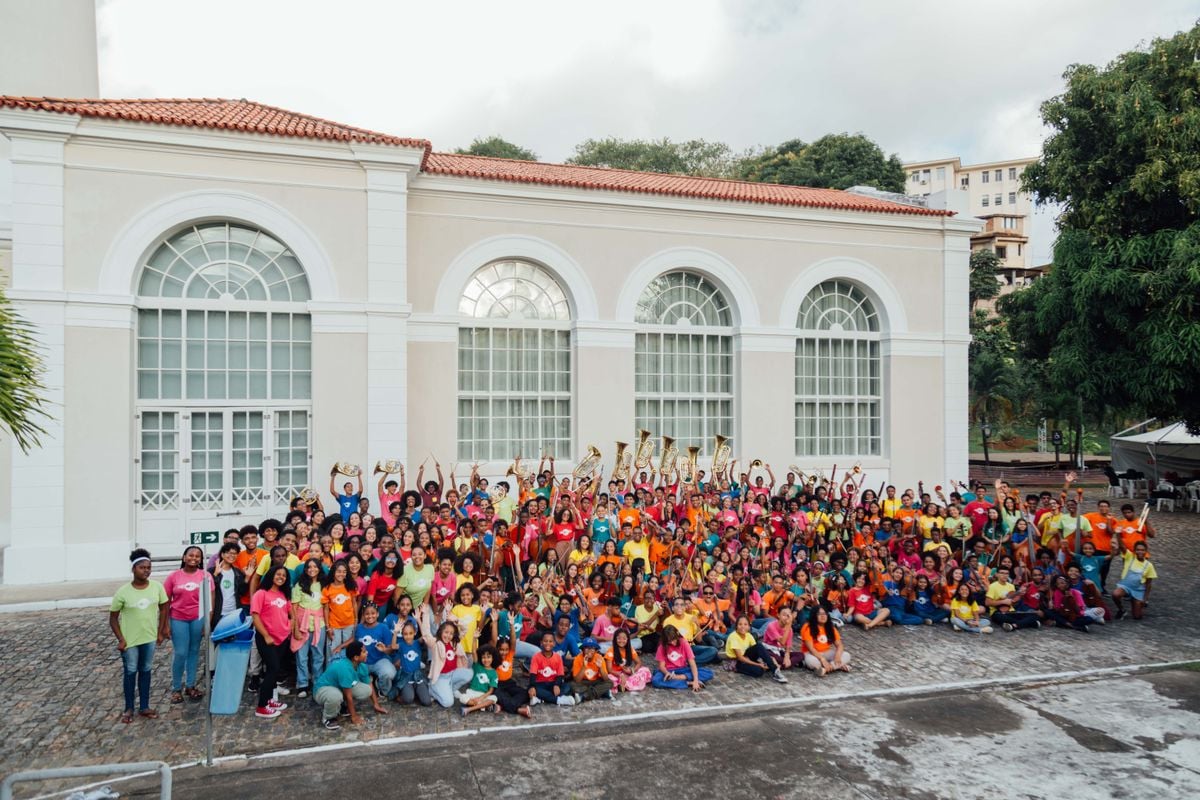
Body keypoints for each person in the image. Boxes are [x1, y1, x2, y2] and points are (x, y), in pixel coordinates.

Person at [109, 549, 168, 723]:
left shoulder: (157, 587)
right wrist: (121, 639)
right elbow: (113, 618)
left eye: (149, 567)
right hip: (130, 641)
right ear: (134, 569)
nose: (146, 571)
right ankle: (129, 708)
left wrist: (161, 631)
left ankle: (144, 705)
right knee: (130, 671)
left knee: (146, 671)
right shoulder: (123, 592)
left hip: (149, 638)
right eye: (142, 567)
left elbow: (164, 607)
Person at [163, 545, 213, 704]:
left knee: (193, 651)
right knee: (181, 653)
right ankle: (176, 687)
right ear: (184, 557)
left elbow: (210, 601)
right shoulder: (173, 577)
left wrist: (208, 622)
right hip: (178, 618)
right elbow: (165, 602)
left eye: (197, 556)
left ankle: (190, 685)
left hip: (197, 619)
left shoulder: (206, 576)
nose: (194, 558)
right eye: (190, 555)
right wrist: (165, 624)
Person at [313, 641, 388, 731]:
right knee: (336, 696)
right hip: (321, 690)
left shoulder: (362, 665)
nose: (367, 653)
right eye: (364, 652)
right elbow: (349, 697)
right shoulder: (345, 669)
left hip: (338, 687)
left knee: (367, 690)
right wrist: (354, 716)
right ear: (356, 657)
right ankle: (328, 717)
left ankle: (340, 706)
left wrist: (376, 705)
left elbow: (369, 683)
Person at [250, 564, 293, 719]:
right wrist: (266, 635)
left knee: (274, 669)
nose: (281, 577)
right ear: (271, 575)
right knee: (273, 669)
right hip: (266, 639)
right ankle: (261, 706)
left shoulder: (282, 594)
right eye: (278, 574)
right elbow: (255, 616)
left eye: (284, 575)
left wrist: (290, 626)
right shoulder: (261, 594)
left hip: (282, 638)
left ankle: (270, 699)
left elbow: (290, 612)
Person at [725, 615, 787, 683]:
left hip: (746, 656)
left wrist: (771, 659)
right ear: (736, 626)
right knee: (759, 671)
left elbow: (759, 650)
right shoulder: (733, 637)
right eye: (740, 624)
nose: (743, 626)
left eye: (745, 624)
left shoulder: (748, 635)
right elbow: (740, 658)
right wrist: (757, 664)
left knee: (759, 646)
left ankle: (775, 671)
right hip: (737, 662)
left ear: (749, 627)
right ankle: (766, 667)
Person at [651, 624, 712, 691]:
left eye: (673, 639)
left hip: (683, 669)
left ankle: (680, 678)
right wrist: (667, 673)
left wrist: (695, 680)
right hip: (669, 671)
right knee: (655, 681)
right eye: (669, 641)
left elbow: (692, 663)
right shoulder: (662, 646)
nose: (672, 643)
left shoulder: (683, 642)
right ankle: (688, 683)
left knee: (708, 673)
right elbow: (661, 666)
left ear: (677, 635)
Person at [1112, 539, 1156, 620]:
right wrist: (1118, 534)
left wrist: (1145, 599)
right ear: (1134, 551)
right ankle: (1121, 610)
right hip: (1125, 587)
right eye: (1138, 550)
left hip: (1138, 590)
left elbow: (1149, 584)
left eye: (1142, 550)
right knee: (1115, 594)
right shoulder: (1130, 557)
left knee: (1137, 617)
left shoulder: (1149, 565)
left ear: (1146, 551)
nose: (1140, 552)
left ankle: (1134, 600)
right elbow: (1122, 547)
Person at [528, 631, 576, 706]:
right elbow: (533, 674)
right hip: (540, 683)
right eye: (545, 641)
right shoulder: (536, 657)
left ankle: (541, 698)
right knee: (532, 689)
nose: (548, 643)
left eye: (550, 641)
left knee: (567, 687)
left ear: (554, 644)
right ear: (541, 643)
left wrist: (556, 685)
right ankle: (559, 700)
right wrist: (532, 687)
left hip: (553, 683)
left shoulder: (557, 657)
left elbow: (560, 675)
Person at [801, 606, 850, 676]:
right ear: (814, 616)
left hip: (826, 652)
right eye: (819, 614)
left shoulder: (830, 628)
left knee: (846, 655)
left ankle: (826, 669)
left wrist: (838, 656)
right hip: (811, 653)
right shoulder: (807, 627)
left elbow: (839, 645)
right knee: (812, 662)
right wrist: (822, 659)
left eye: (825, 614)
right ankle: (837, 666)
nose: (823, 616)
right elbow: (811, 649)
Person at [458, 644, 500, 716]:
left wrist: (480, 698)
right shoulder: (477, 666)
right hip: (471, 693)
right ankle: (484, 706)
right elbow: (474, 652)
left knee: (494, 698)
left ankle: (469, 709)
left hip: (483, 695)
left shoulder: (494, 673)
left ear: (493, 658)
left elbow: (490, 691)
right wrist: (475, 638)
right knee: (462, 698)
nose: (486, 660)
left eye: (488, 657)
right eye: (483, 657)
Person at [571, 638, 613, 702]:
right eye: (587, 648)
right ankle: (601, 693)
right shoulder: (578, 659)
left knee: (610, 683)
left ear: (595, 650)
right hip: (584, 682)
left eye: (592, 648)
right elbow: (577, 680)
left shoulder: (599, 658)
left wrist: (600, 668)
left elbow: (606, 679)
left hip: (596, 681)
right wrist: (584, 667)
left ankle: (585, 695)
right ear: (583, 649)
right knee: (572, 685)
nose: (590, 650)